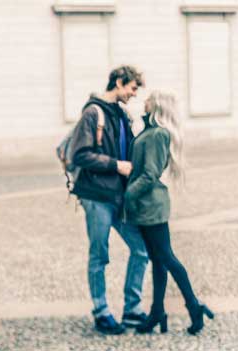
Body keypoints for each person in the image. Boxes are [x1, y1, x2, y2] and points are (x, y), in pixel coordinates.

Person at [68, 65, 150, 334]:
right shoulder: (94, 112)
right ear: (118, 82)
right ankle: (102, 311)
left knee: (141, 250)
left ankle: (132, 309)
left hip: (120, 196)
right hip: (97, 196)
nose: (134, 94)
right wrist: (116, 165)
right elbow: (79, 154)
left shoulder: (122, 114)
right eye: (132, 88)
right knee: (99, 254)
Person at [126, 90, 214, 335]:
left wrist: (127, 195)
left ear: (157, 106)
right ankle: (157, 312)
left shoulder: (157, 135)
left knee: (166, 257)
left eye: (149, 99)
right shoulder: (150, 131)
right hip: (147, 205)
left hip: (151, 206)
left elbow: (149, 174)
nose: (144, 100)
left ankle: (193, 306)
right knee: (159, 260)